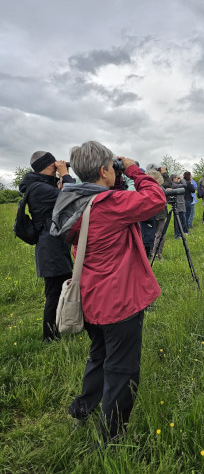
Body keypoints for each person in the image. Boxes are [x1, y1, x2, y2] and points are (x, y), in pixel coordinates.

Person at [50, 141, 166, 443]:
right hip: (118, 302)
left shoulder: (72, 198)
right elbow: (155, 199)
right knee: (121, 370)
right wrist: (133, 169)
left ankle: (82, 410)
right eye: (112, 169)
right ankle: (112, 439)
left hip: (89, 299)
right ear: (104, 170)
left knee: (99, 357)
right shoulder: (110, 204)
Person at [19, 151, 75, 342]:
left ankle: (61, 327)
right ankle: (49, 337)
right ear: (49, 165)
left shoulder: (40, 185)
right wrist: (65, 173)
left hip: (53, 245)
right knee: (54, 293)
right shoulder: (38, 188)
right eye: (55, 164)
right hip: (50, 248)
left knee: (60, 289)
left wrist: (60, 178)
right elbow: (72, 196)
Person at [170, 174, 188, 238]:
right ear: (173, 179)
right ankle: (177, 235)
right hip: (178, 205)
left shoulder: (176, 184)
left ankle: (182, 232)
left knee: (182, 219)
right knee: (177, 221)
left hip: (181, 204)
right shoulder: (174, 185)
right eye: (176, 178)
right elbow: (185, 185)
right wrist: (182, 179)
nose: (177, 179)